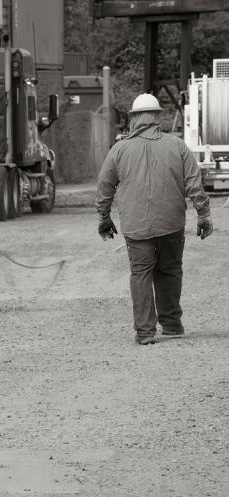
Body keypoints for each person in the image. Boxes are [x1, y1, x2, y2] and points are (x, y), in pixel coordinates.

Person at [95, 93, 212, 345]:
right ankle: (171, 325)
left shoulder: (120, 149)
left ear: (134, 119)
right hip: (171, 224)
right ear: (158, 116)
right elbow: (194, 183)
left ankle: (145, 332)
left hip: (136, 228)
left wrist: (104, 217)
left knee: (141, 274)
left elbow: (104, 187)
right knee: (169, 271)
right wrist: (203, 214)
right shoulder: (177, 145)